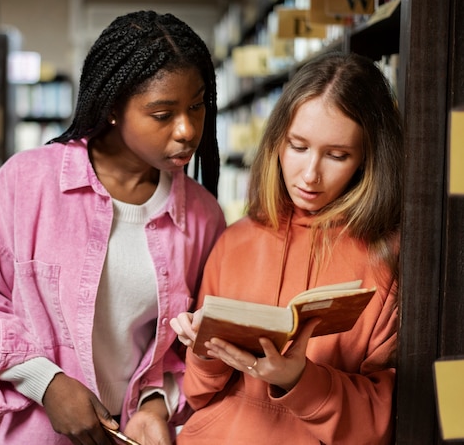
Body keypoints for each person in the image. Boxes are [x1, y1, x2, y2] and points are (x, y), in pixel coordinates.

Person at [0, 10, 226, 445]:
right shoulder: (28, 181)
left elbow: (189, 345)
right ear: (112, 108)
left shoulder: (203, 217)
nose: (187, 130)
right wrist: (46, 383)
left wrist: (154, 405)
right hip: (23, 432)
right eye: (163, 114)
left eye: (197, 105)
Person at [170, 51, 402, 444]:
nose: (310, 175)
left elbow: (385, 420)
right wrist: (204, 353)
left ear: (367, 160)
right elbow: (197, 392)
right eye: (297, 147)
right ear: (276, 141)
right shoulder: (234, 240)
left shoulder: (385, 262)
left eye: (337, 155)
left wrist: (300, 379)